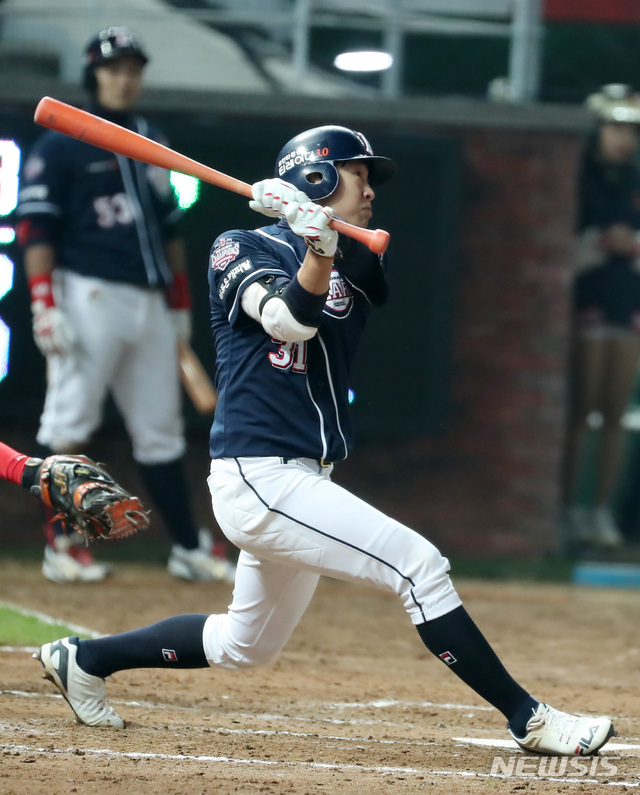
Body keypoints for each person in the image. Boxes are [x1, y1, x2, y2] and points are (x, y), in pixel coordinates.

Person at [34, 125, 615, 756]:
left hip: (305, 476)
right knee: (420, 568)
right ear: (319, 178)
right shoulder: (236, 246)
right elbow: (287, 321)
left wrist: (318, 240)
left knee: (243, 647)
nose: (370, 191)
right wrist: (309, 244)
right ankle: (529, 718)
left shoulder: (361, 254)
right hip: (259, 476)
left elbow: (332, 282)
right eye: (358, 175)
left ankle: (84, 659)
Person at [15, 26, 234, 584]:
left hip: (152, 300)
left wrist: (181, 301)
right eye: (113, 68)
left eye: (133, 69)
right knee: (69, 421)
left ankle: (187, 546)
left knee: (160, 429)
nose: (124, 78)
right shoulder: (62, 140)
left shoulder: (150, 138)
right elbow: (35, 226)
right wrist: (43, 301)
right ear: (93, 75)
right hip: (88, 292)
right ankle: (61, 545)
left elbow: (168, 227)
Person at [562, 84, 640, 549]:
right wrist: (596, 241)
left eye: (631, 128)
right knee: (582, 410)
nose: (623, 137)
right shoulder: (579, 175)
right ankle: (570, 509)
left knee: (615, 410)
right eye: (616, 126)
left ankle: (600, 512)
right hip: (586, 299)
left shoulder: (633, 180)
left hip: (626, 302)